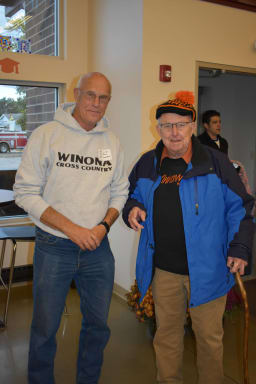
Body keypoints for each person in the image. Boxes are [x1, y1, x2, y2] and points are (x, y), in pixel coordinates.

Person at [122, 91, 254, 384]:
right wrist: (133, 207)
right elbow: (129, 196)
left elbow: (242, 208)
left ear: (193, 127)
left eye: (181, 124)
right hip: (165, 271)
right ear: (158, 129)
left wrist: (240, 247)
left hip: (208, 270)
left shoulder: (216, 163)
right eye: (167, 125)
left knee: (209, 341)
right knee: (166, 338)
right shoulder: (147, 163)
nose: (174, 132)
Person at [14, 72, 129, 384]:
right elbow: (24, 192)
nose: (96, 103)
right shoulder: (48, 134)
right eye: (90, 95)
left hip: (98, 249)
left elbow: (121, 191)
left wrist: (103, 227)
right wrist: (73, 229)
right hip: (54, 247)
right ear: (76, 94)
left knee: (98, 326)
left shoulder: (112, 142)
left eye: (103, 97)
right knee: (44, 328)